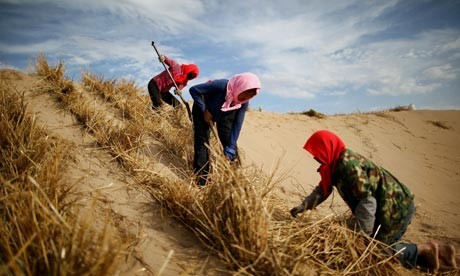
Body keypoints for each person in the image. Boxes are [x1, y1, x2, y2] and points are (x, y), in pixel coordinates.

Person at [289, 130, 457, 272]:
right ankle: (442, 256)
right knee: (373, 251)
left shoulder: (348, 165)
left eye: (317, 153)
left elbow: (367, 202)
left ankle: (425, 249)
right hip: (384, 210)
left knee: (374, 253)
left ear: (327, 148)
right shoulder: (334, 166)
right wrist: (302, 207)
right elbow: (322, 190)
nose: (315, 158)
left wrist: (363, 237)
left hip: (395, 209)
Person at [189, 72, 261, 186]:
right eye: (244, 94)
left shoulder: (242, 102)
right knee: (202, 143)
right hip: (202, 109)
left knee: (229, 143)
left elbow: (237, 124)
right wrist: (204, 110)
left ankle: (235, 182)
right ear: (240, 87)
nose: (243, 98)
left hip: (225, 112)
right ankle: (201, 181)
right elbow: (194, 90)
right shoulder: (221, 85)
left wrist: (231, 147)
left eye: (249, 97)